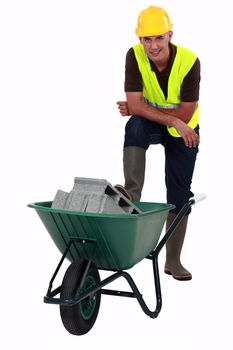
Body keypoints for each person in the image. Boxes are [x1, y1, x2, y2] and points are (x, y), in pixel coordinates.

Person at [116, 5, 201, 281]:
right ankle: (131, 195)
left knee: (179, 191)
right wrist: (144, 111)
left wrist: (143, 107)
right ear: (139, 39)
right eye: (146, 39)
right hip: (162, 124)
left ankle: (173, 260)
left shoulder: (189, 61)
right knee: (135, 125)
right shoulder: (134, 55)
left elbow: (186, 113)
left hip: (185, 131)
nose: (153, 46)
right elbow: (132, 107)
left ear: (170, 35)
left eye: (159, 38)